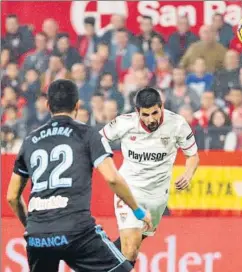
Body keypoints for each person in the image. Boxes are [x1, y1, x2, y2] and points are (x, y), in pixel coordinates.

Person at [7, 79, 152, 272]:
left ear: (48, 106)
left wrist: (34, 226)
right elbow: (112, 178)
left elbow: (11, 196)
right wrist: (138, 211)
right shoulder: (87, 134)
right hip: (76, 232)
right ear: (77, 105)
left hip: (38, 236)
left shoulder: (30, 141)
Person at [100, 87, 199, 267]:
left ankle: (98, 264)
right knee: (130, 248)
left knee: (131, 245)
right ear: (137, 111)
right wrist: (104, 161)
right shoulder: (124, 123)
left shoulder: (177, 124)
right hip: (129, 190)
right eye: (145, 114)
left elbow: (192, 155)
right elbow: (98, 140)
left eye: (155, 112)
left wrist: (188, 173)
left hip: (158, 196)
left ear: (161, 106)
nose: (151, 119)